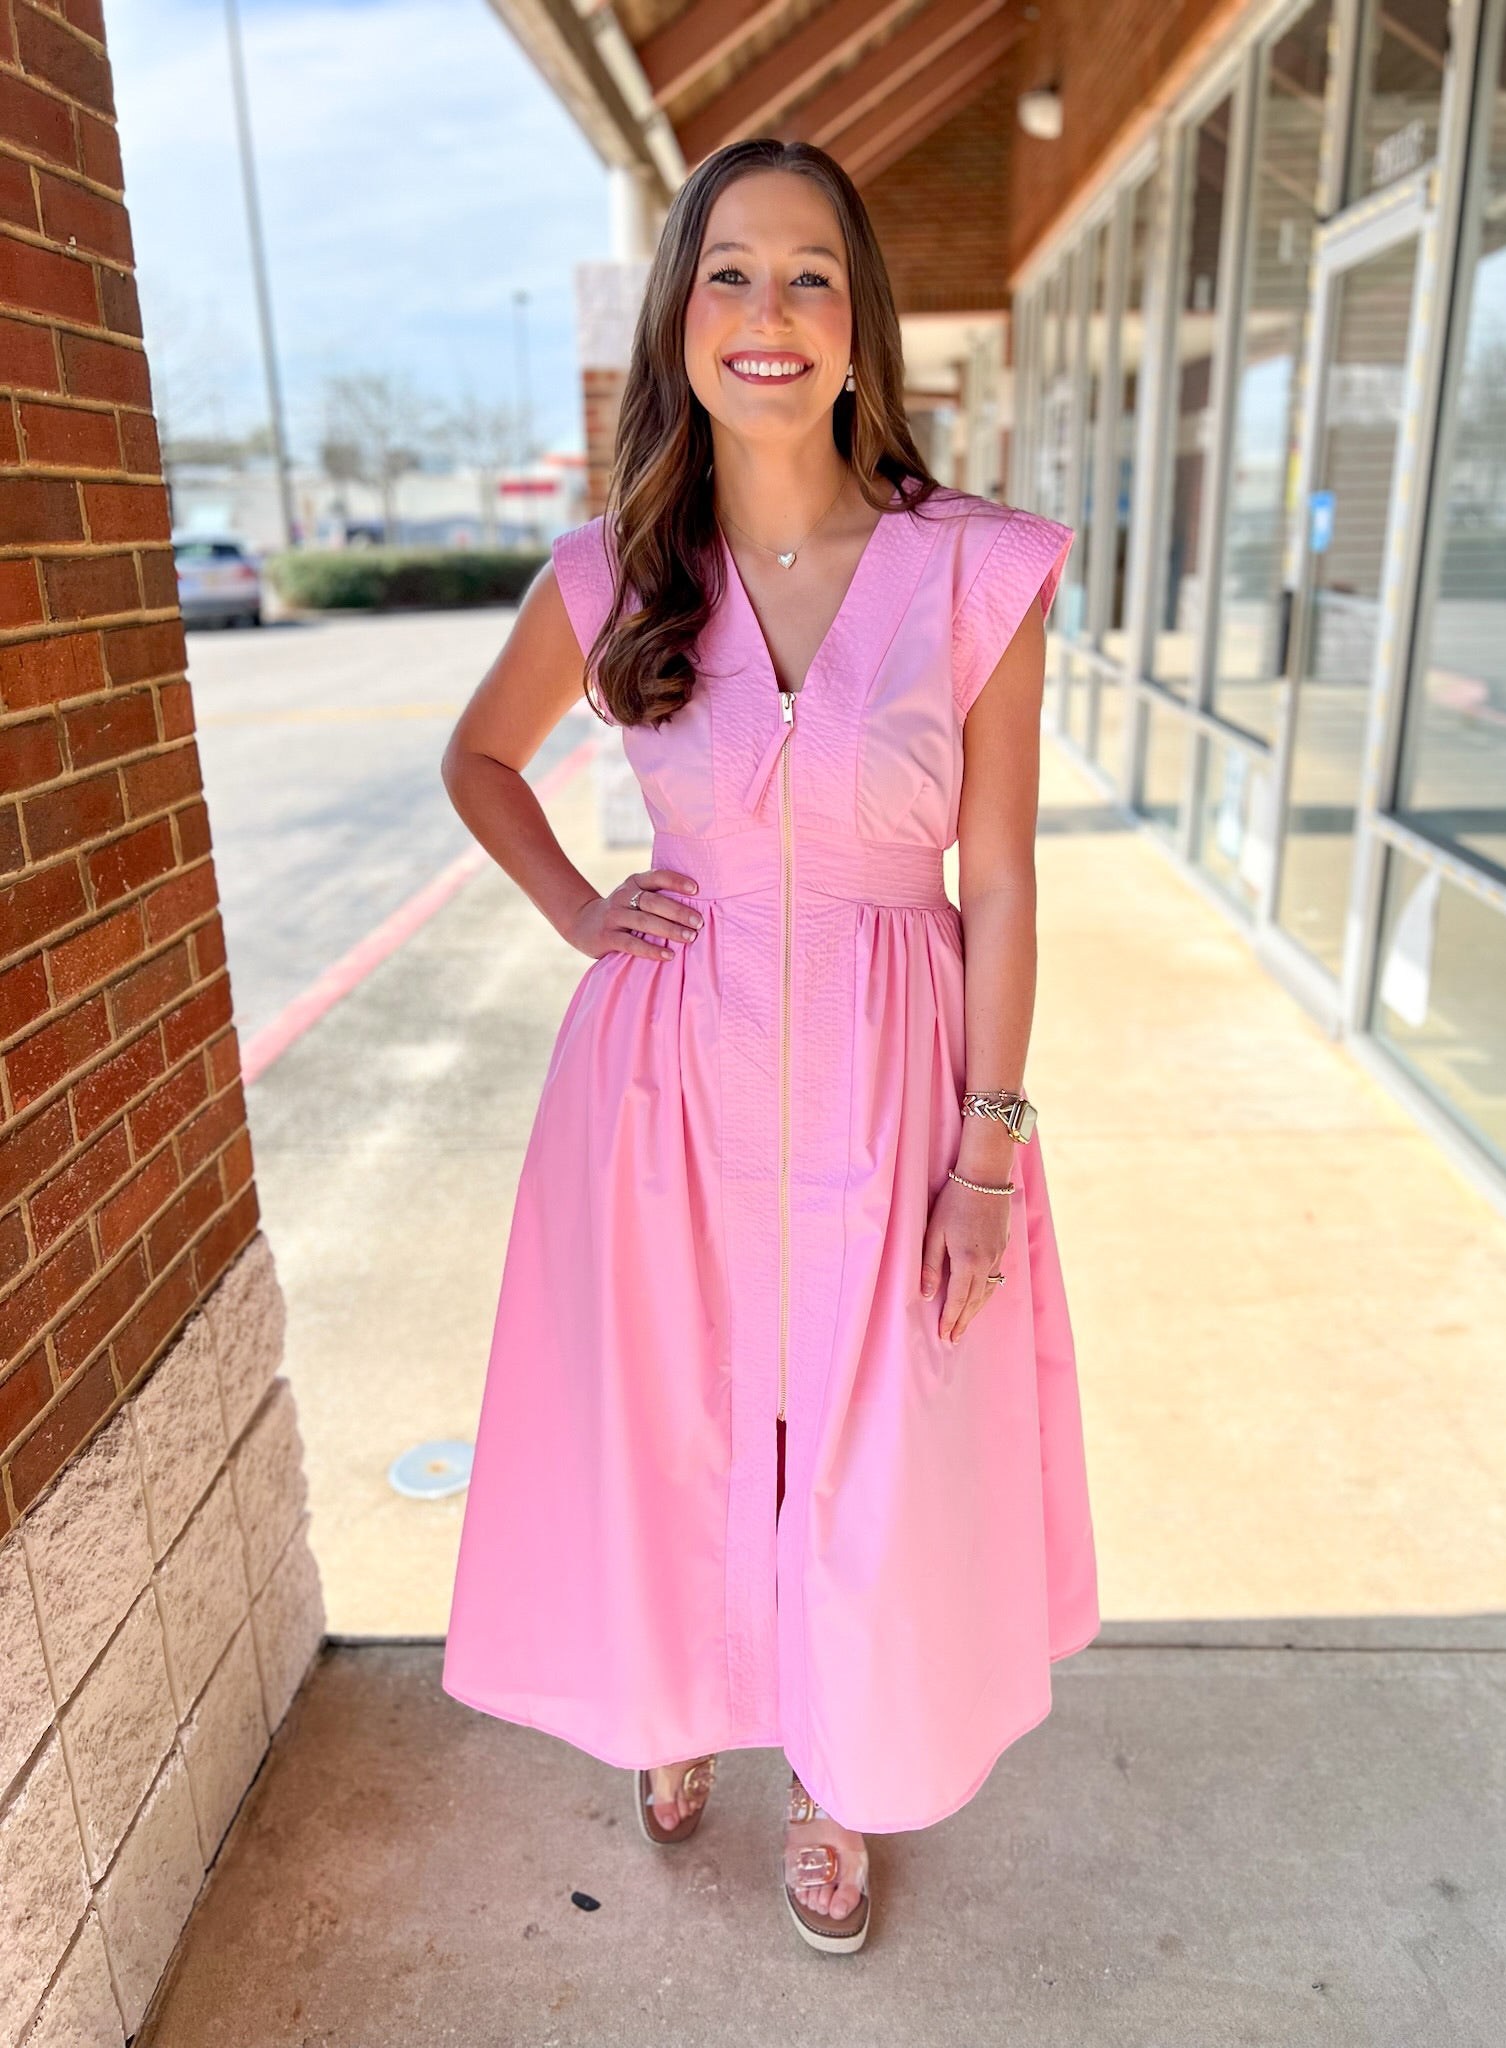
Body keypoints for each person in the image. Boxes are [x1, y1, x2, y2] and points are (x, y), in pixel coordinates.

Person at [439, 136, 1099, 1956]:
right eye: (730, 272)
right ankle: (674, 1706)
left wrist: (990, 1152)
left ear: (861, 320)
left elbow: (1009, 881)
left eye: (811, 273)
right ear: (680, 315)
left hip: (896, 1091)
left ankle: (832, 1763)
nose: (770, 312)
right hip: (666, 1091)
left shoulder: (977, 574)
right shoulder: (614, 573)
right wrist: (584, 914)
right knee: (678, 1422)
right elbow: (478, 761)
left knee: (861, 1443)